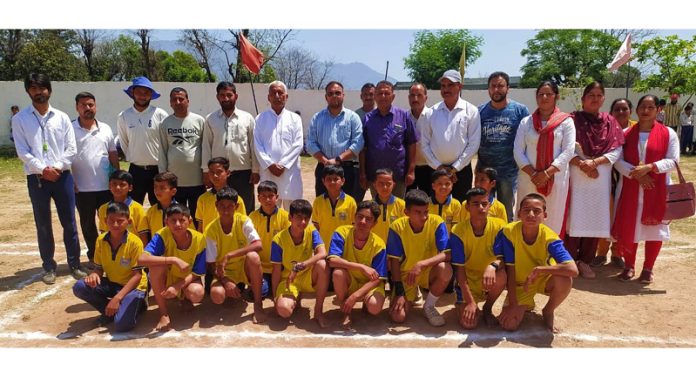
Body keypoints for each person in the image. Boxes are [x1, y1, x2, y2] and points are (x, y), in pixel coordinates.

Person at [12, 73, 87, 284]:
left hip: (62, 177)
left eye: (42, 88)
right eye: (34, 89)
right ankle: (48, 267)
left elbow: (71, 148)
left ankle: (74, 264)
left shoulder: (62, 117)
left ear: (49, 90)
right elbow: (22, 151)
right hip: (37, 179)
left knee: (70, 223)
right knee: (43, 224)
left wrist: (57, 167)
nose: (38, 92)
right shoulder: (20, 119)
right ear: (28, 91)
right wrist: (43, 169)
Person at [612, 95, 679, 284]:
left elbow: (673, 161)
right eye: (642, 106)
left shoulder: (668, 134)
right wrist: (638, 174)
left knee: (655, 230)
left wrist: (650, 168)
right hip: (630, 188)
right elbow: (617, 160)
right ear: (637, 109)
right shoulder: (625, 133)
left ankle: (648, 268)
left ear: (658, 110)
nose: (646, 110)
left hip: (658, 189)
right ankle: (629, 266)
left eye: (651, 107)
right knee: (630, 227)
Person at [566, 82, 625, 279]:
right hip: (577, 175)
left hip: (600, 177)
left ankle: (585, 261)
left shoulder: (610, 122)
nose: (595, 98)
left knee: (594, 218)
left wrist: (595, 163)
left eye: (599, 95)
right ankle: (570, 260)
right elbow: (564, 146)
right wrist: (582, 164)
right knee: (574, 217)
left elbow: (617, 150)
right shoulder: (572, 120)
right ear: (583, 98)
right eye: (591, 94)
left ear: (603, 99)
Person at [496, 193, 578, 332]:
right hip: (518, 284)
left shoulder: (550, 237)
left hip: (540, 280)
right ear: (519, 213)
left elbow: (572, 269)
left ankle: (548, 310)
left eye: (537, 211)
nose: (531, 214)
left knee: (564, 278)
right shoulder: (509, 232)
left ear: (544, 215)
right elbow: (510, 268)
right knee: (508, 325)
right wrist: (514, 303)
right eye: (526, 210)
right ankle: (525, 303)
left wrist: (539, 270)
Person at [72, 202, 148, 332]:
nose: (115, 224)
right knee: (80, 286)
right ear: (105, 220)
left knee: (122, 325)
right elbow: (98, 268)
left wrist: (117, 298)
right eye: (111, 220)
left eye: (120, 221)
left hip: (133, 287)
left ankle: (138, 305)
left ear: (128, 222)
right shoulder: (101, 240)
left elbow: (137, 276)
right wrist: (95, 274)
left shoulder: (135, 243)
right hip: (113, 284)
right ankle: (109, 311)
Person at [513, 81, 575, 236]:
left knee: (552, 217)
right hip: (529, 179)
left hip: (555, 179)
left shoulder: (566, 122)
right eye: (541, 94)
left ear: (556, 96)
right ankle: (523, 253)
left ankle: (549, 256)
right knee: (527, 215)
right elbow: (518, 151)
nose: (544, 97)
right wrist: (534, 174)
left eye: (549, 94)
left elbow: (568, 150)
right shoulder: (526, 122)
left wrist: (546, 174)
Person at [387, 189, 451, 327]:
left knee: (446, 269)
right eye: (418, 212)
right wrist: (399, 292)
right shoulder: (397, 226)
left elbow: (447, 253)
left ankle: (429, 306)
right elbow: (394, 261)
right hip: (407, 275)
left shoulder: (437, 222)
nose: (424, 217)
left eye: (426, 212)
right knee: (398, 317)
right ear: (406, 212)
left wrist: (421, 264)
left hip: (429, 271)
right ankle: (413, 292)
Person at [139, 203, 206, 331]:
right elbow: (142, 259)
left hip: (187, 279)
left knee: (197, 292)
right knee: (155, 267)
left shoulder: (199, 239)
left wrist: (177, 286)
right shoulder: (162, 235)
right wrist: (173, 260)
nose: (177, 224)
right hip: (167, 277)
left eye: (182, 220)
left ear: (190, 221)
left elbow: (198, 272)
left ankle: (185, 298)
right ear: (166, 222)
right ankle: (164, 313)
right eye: (173, 221)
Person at [204, 187, 267, 323]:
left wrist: (229, 255)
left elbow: (258, 245)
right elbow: (210, 265)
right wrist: (225, 281)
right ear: (216, 206)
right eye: (222, 206)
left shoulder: (243, 221)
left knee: (253, 257)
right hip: (223, 271)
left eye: (230, 206)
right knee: (217, 295)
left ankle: (258, 305)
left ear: (237, 206)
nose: (226, 210)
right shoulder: (211, 229)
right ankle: (231, 293)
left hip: (244, 268)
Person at [71, 92, 119, 265]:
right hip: (82, 188)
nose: (87, 108)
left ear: (95, 106)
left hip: (106, 187)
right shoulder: (69, 129)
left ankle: (111, 253)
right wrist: (70, 178)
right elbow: (65, 156)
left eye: (91, 104)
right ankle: (94, 256)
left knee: (109, 222)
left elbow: (112, 153)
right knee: (88, 224)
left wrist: (117, 177)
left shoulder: (105, 128)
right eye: (83, 105)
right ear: (77, 107)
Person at [449, 187, 507, 329]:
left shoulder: (500, 226)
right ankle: (465, 303)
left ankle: (487, 308)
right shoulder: (458, 230)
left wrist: (492, 266)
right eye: (475, 204)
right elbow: (459, 270)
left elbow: (505, 258)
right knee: (468, 324)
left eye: (484, 204)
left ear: (489, 205)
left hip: (489, 276)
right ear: (467, 207)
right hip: (467, 279)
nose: (481, 208)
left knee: (502, 274)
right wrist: (469, 301)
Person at [421, 69, 481, 202]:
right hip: (436, 171)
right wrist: (439, 168)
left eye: (450, 85)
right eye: (443, 86)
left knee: (461, 209)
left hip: (462, 171)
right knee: (436, 208)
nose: (446, 89)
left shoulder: (471, 111)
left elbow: (473, 143)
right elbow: (424, 144)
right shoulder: (431, 112)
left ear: (460, 86)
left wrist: (454, 169)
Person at [477, 72, 530, 221]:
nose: (496, 90)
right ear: (488, 89)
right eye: (493, 86)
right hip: (485, 171)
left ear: (508, 88)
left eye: (500, 86)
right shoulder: (480, 111)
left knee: (505, 212)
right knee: (483, 209)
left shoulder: (520, 111)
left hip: (508, 171)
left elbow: (527, 137)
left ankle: (505, 240)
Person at [328, 200, 387, 328]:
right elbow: (332, 260)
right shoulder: (341, 232)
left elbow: (378, 278)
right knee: (338, 273)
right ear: (354, 217)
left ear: (374, 223)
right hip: (350, 279)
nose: (362, 222)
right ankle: (346, 312)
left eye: (368, 219)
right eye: (360, 217)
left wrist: (355, 296)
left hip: (370, 284)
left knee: (374, 308)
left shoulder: (379, 244)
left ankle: (364, 303)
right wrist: (361, 266)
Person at [202, 81, 259, 214]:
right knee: (222, 209)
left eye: (229, 95)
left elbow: (253, 144)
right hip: (219, 174)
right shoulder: (210, 119)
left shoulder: (247, 118)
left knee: (245, 207)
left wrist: (255, 170)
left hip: (243, 172)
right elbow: (206, 145)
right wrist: (206, 171)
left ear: (236, 96)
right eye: (222, 95)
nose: (226, 98)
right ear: (217, 97)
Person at [271, 199, 330, 328]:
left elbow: (322, 253)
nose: (303, 222)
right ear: (290, 217)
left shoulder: (311, 231)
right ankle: (294, 298)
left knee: (322, 265)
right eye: (298, 217)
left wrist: (300, 266)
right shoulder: (278, 240)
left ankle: (318, 311)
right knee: (284, 310)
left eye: (306, 218)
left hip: (308, 275)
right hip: (289, 280)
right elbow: (276, 271)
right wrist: (275, 297)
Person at [594, 98, 636, 268]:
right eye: (617, 109)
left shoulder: (636, 130)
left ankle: (618, 253)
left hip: (629, 180)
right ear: (611, 112)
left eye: (624, 109)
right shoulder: (605, 129)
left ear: (630, 111)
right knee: (606, 216)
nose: (621, 112)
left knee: (623, 216)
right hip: (608, 179)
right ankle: (601, 252)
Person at [360, 80, 419, 199]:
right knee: (378, 210)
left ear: (393, 96)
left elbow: (412, 144)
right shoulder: (367, 119)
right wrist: (362, 173)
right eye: (380, 93)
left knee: (397, 209)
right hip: (375, 176)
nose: (383, 96)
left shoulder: (404, 116)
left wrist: (411, 170)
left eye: (386, 93)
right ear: (375, 96)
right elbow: (363, 148)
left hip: (398, 176)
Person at [306, 81, 364, 199]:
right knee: (324, 205)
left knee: (346, 207)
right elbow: (310, 143)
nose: (334, 96)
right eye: (330, 93)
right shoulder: (317, 118)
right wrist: (325, 161)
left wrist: (338, 160)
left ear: (343, 95)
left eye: (337, 93)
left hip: (346, 169)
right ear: (326, 97)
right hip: (323, 168)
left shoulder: (353, 117)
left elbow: (358, 143)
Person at [116, 76, 168, 206]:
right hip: (136, 170)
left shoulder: (160, 114)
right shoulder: (124, 116)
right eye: (139, 92)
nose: (142, 96)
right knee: (133, 206)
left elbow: (166, 142)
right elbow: (124, 142)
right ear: (132, 93)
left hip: (157, 170)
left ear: (151, 95)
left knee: (159, 206)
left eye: (146, 93)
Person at [254, 81, 304, 209]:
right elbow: (257, 144)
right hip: (268, 172)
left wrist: (283, 164)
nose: (277, 96)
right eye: (273, 93)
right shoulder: (260, 118)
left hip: (289, 174)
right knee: (270, 211)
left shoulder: (294, 118)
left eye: (280, 93)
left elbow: (298, 144)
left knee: (292, 213)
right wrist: (270, 164)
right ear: (268, 97)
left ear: (286, 97)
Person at [159, 87, 206, 222]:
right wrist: (163, 177)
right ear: (170, 103)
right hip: (175, 182)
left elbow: (205, 148)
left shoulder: (199, 121)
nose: (178, 102)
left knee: (197, 218)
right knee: (176, 218)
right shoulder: (165, 123)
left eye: (181, 99)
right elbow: (162, 149)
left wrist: (206, 172)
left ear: (188, 101)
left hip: (196, 180)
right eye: (174, 99)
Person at [248, 180, 290, 301]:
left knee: (283, 293)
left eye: (271, 196)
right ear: (258, 198)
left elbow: (288, 243)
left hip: (280, 267)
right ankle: (262, 283)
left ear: (276, 197)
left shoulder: (285, 216)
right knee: (260, 293)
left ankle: (274, 284)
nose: (267, 200)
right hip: (261, 267)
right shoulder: (252, 217)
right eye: (263, 196)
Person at [195, 157, 246, 233]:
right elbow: (200, 226)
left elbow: (242, 224)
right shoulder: (203, 199)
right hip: (209, 242)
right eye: (212, 172)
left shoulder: (237, 199)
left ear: (227, 173)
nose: (215, 175)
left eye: (219, 172)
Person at [312, 164, 357, 249]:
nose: (332, 182)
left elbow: (354, 226)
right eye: (328, 179)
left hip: (344, 246)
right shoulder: (318, 201)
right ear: (323, 181)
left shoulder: (350, 202)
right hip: (324, 245)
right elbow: (316, 226)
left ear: (343, 181)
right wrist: (317, 246)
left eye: (336, 179)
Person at [138, 171, 191, 243]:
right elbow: (145, 235)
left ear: (173, 192)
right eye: (155, 187)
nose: (157, 191)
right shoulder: (151, 211)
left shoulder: (183, 212)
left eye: (162, 188)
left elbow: (190, 234)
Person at [97, 170, 146, 243]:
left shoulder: (137, 208)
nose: (117, 187)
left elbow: (143, 235)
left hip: (132, 250)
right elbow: (104, 233)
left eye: (122, 184)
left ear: (130, 188)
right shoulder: (103, 208)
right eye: (114, 184)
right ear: (109, 186)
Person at [406, 82, 433, 193]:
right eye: (412, 95)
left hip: (429, 168)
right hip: (408, 169)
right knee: (408, 202)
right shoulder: (403, 117)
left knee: (428, 203)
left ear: (426, 98)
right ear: (408, 98)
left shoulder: (433, 116)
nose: (415, 99)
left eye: (419, 95)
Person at [370, 168, 405, 244]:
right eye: (381, 184)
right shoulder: (369, 206)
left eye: (388, 184)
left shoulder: (402, 205)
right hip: (374, 247)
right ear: (374, 185)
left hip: (395, 249)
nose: (385, 187)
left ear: (394, 185)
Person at [429, 168, 461, 233]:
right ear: (433, 186)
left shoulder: (455, 204)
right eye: (439, 184)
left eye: (447, 184)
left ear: (452, 186)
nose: (443, 187)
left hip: (448, 242)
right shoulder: (426, 203)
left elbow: (455, 228)